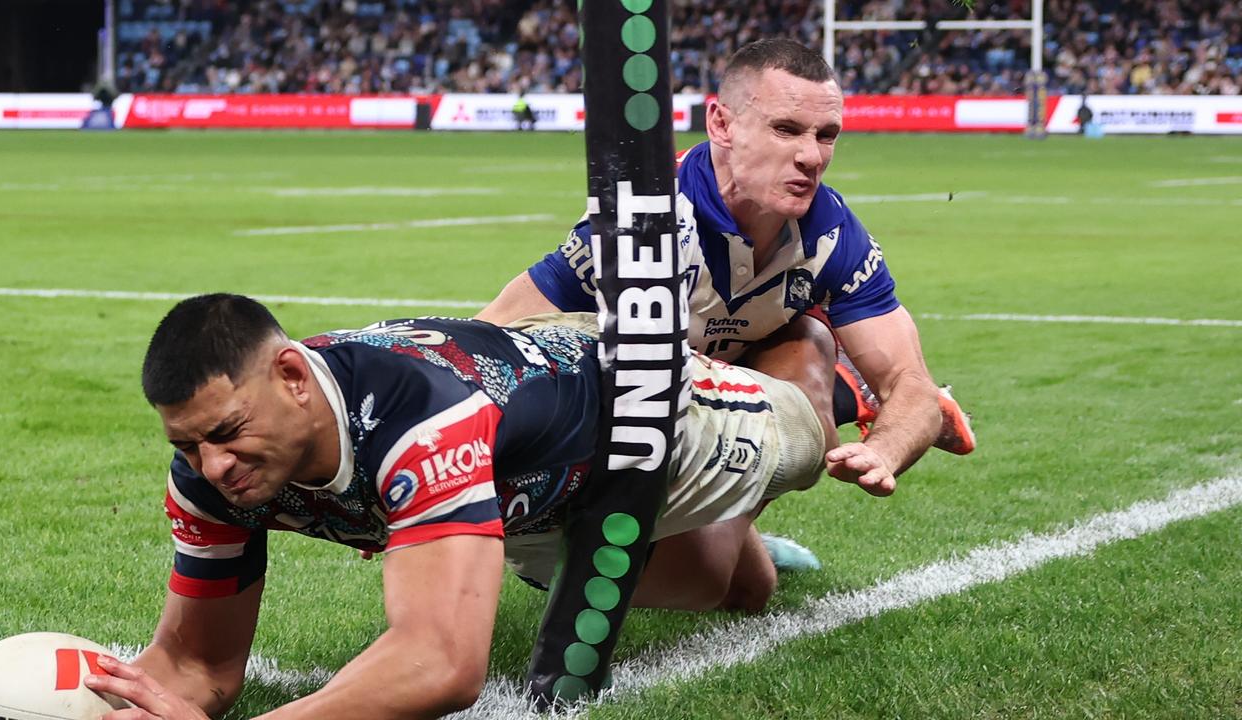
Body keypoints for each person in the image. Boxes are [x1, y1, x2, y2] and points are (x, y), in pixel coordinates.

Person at [86, 293, 856, 719]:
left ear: (292, 377)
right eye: (187, 444)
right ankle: (736, 535)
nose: (211, 466)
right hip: (526, 501)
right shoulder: (207, 476)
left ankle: (812, 345)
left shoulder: (421, 418)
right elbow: (197, 664)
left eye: (227, 433)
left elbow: (441, 664)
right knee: (736, 591)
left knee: (809, 442)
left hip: (641, 409)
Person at [479, 37, 975, 587]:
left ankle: (827, 401)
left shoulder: (835, 237)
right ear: (721, 124)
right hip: (634, 411)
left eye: (826, 135)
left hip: (730, 399)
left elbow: (913, 384)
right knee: (744, 589)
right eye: (786, 129)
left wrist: (883, 451)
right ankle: (842, 401)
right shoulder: (644, 217)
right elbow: (492, 333)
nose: (812, 157)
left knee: (809, 342)